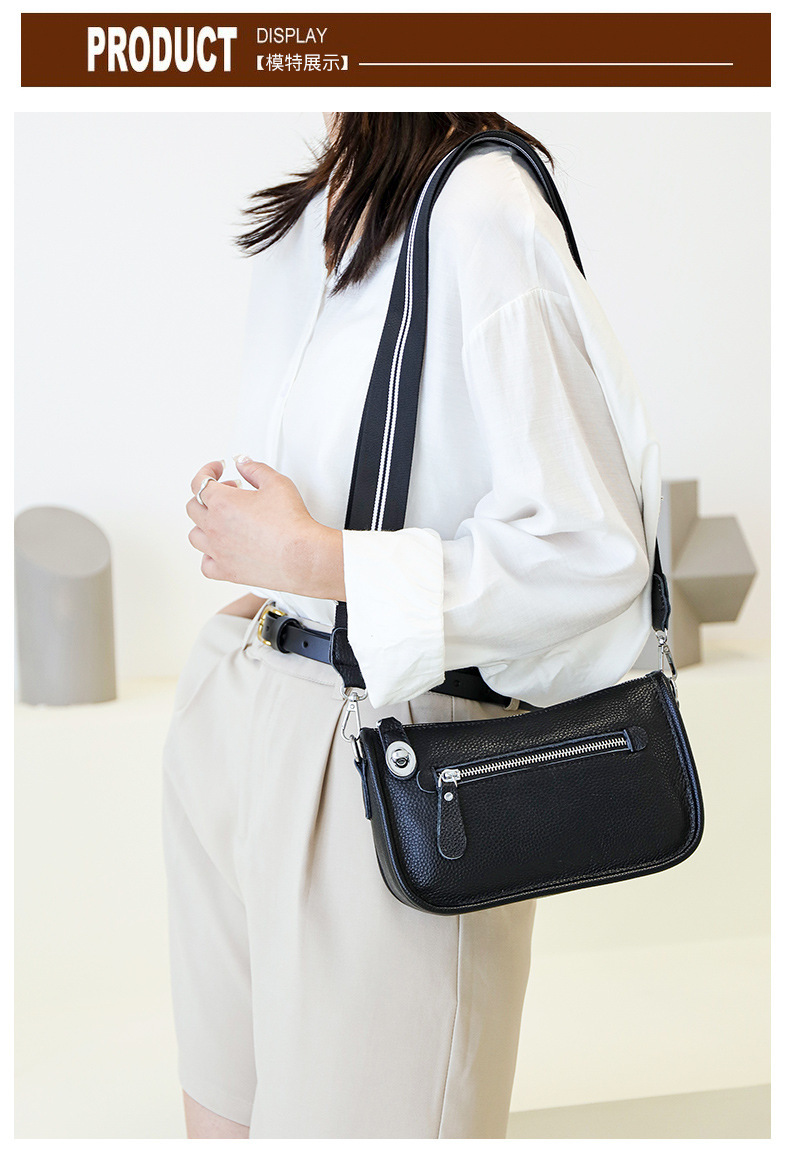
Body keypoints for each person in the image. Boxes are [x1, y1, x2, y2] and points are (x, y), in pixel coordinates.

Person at [161, 112, 660, 1139]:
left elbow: (591, 547)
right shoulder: (310, 214)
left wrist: (313, 561)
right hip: (247, 709)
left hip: (394, 758)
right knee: (220, 1124)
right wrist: (264, 605)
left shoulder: (481, 206)